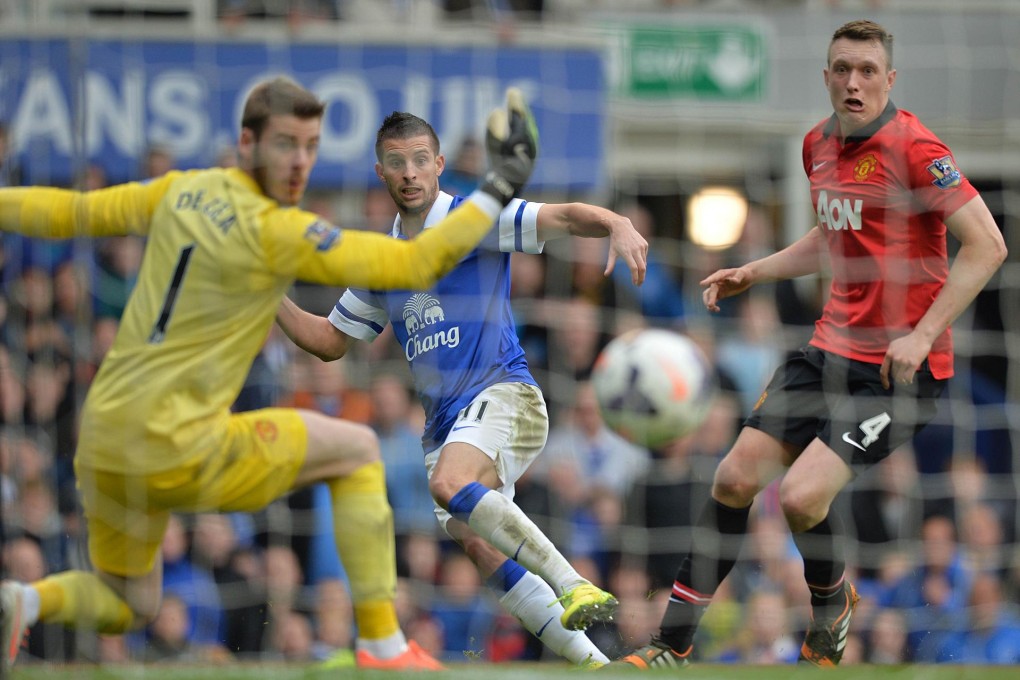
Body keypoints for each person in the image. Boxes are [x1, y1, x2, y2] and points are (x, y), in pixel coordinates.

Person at [0, 76, 540, 672]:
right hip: (176, 440)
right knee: (360, 450)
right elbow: (418, 260)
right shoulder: (279, 231)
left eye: (310, 145)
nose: (301, 161)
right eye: (287, 144)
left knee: (129, 604)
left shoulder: (179, 190)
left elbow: (69, 211)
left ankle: (26, 598)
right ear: (248, 143)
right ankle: (385, 648)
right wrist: (498, 186)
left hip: (103, 439)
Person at [615, 19, 1007, 669]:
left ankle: (831, 611)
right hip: (826, 351)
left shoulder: (917, 149)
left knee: (799, 497)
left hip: (900, 372)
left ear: (890, 80)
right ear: (826, 76)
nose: (854, 82)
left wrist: (923, 333)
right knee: (735, 478)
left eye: (867, 71)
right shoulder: (816, 146)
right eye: (842, 69)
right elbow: (833, 237)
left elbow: (989, 245)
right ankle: (671, 644)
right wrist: (754, 270)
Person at [275, 109, 649, 667]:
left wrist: (615, 222)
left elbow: (565, 217)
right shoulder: (381, 260)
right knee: (478, 544)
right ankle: (599, 666)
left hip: (505, 395)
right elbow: (330, 340)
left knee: (451, 485)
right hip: (442, 427)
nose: (410, 173)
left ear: (439, 165)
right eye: (397, 163)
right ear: (381, 172)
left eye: (420, 160)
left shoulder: (473, 219)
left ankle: (574, 583)